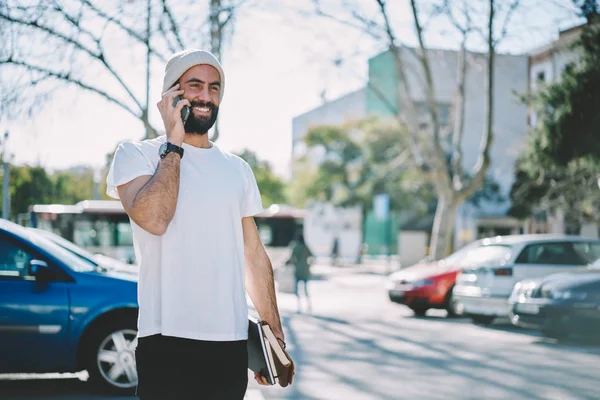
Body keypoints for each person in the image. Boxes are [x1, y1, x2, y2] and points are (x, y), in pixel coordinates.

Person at [106, 49, 286, 400]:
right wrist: (173, 142)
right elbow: (155, 219)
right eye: (195, 86)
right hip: (166, 340)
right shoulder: (135, 155)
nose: (206, 96)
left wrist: (273, 337)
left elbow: (254, 257)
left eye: (214, 88)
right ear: (172, 93)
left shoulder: (237, 169)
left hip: (230, 344)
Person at [288, 233, 313, 313]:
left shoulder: (296, 247)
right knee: (306, 289)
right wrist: (309, 265)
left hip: (298, 270)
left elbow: (291, 258)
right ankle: (309, 305)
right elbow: (312, 257)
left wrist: (295, 264)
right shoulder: (306, 247)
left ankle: (299, 306)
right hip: (305, 270)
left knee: (297, 290)